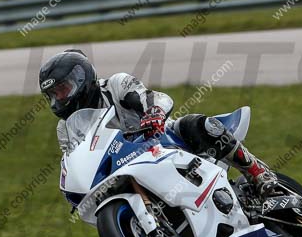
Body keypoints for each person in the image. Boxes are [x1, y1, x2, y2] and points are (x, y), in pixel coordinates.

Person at [40, 49, 279, 198]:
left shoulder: (115, 85)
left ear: (81, 79)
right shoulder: (65, 129)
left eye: (63, 89)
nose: (59, 98)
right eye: (53, 94)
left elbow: (153, 97)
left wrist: (153, 113)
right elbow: (73, 159)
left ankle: (257, 172)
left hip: (159, 140)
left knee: (195, 124)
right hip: (121, 168)